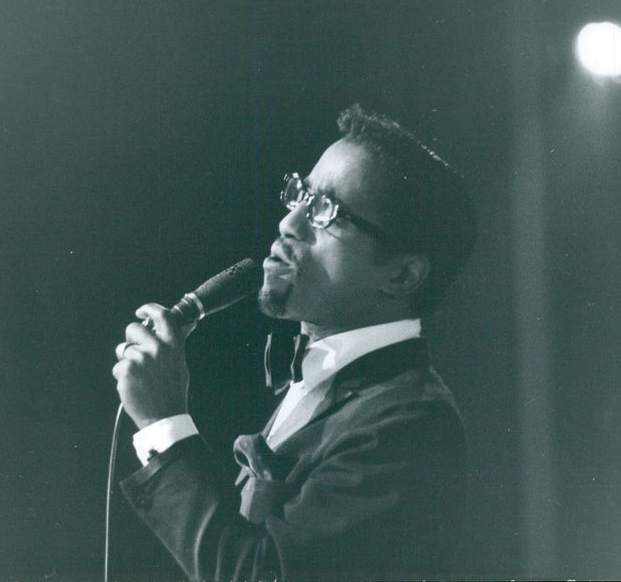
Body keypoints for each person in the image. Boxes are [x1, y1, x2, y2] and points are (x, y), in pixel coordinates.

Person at [112, 104, 477, 581]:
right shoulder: (324, 382)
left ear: (403, 273)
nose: (290, 224)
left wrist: (163, 421)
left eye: (326, 212)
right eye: (300, 195)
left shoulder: (410, 421)